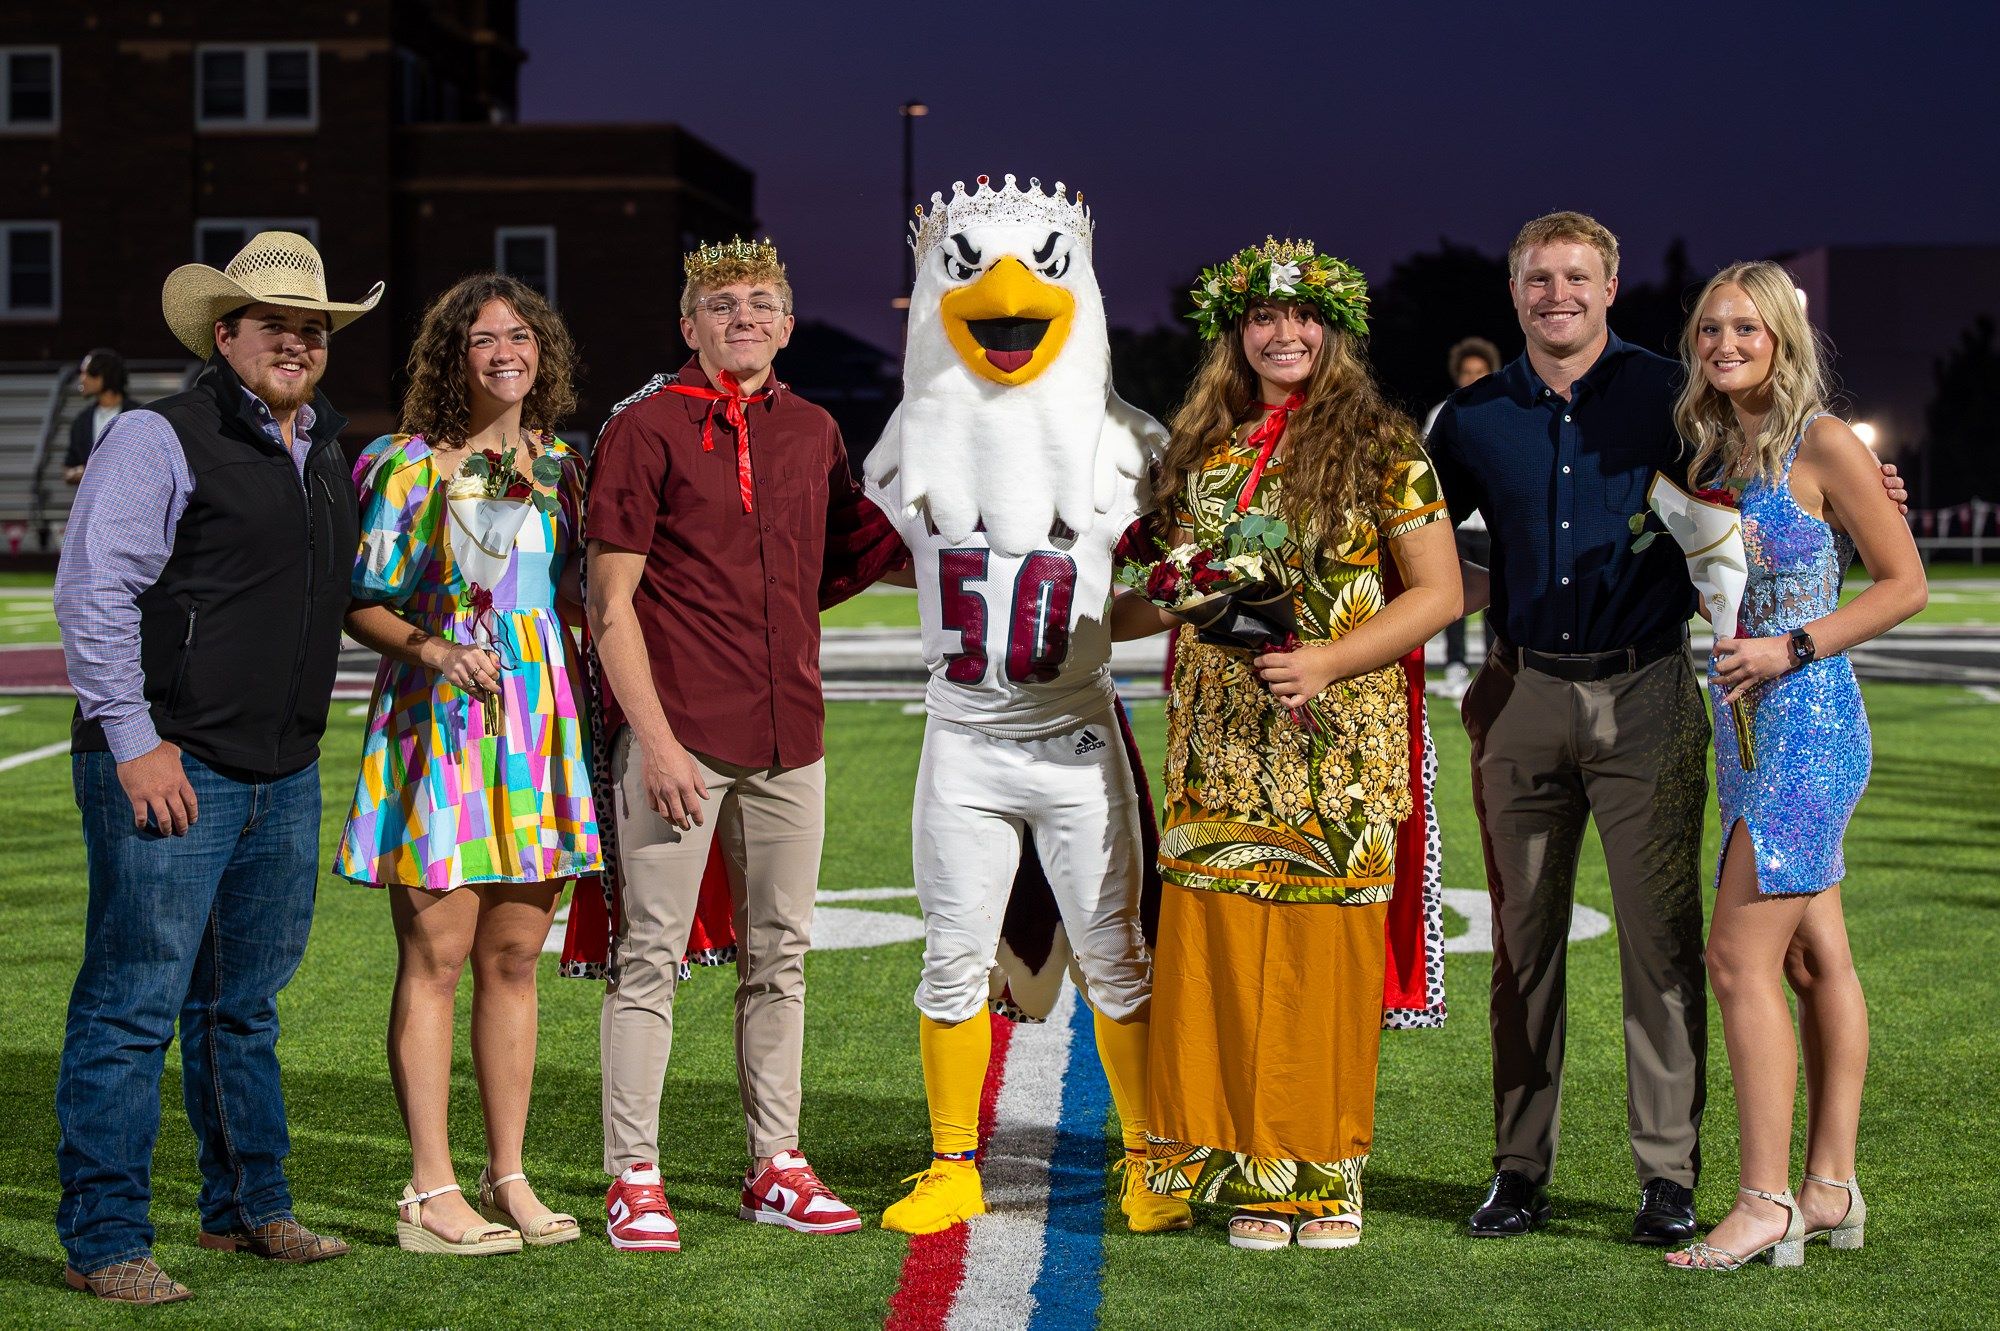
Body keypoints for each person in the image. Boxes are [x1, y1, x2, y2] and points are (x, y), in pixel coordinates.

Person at [1427, 212, 1906, 1246]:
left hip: (1650, 691)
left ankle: (1669, 1181)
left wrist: (1871, 492)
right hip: (1520, 691)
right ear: (1513, 292)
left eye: (1576, 276)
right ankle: (1518, 1169)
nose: (1556, 293)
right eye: (1536, 278)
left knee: (1666, 949)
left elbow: (1779, 480)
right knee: (1522, 948)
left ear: (1608, 287)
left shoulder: (1671, 400)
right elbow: (1424, 550)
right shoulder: (1467, 419)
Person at [861, 174, 1189, 1238]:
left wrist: (1135, 609)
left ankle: (1149, 1154)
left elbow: (1172, 573)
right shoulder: (904, 439)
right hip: (961, 742)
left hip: (1075, 735)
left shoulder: (1127, 442)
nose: (1005, 293)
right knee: (950, 955)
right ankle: (951, 1160)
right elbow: (838, 555)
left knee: (1115, 953)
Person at [52, 231, 377, 1302]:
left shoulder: (323, 445)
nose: (296, 340)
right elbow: (95, 591)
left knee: (242, 1003)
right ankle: (106, 1236)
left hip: (281, 769)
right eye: (273, 323)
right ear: (223, 333)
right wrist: (135, 740)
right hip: (169, 764)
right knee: (132, 1003)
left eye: (312, 326)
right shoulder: (160, 435)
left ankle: (248, 1206)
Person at [1129, 238, 1461, 1250]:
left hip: (1336, 744)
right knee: (1221, 957)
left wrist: (1324, 659)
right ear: (1236, 333)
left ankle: (1320, 1177)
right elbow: (1160, 590)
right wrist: (1139, 594)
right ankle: (1238, 1169)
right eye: (1262, 319)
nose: (1283, 333)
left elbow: (1438, 593)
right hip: (1218, 745)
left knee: (1321, 960)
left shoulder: (1381, 445)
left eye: (1302, 317)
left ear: (1332, 329)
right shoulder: (1201, 449)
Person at [583, 236, 899, 1251]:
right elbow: (609, 606)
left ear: (788, 322)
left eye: (762, 301)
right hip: (681, 737)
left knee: (782, 958)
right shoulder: (644, 429)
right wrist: (656, 741)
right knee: (651, 958)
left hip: (789, 734)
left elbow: (850, 554)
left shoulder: (812, 428)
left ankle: (776, 1161)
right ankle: (632, 1172)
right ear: (689, 324)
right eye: (722, 303)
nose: (744, 316)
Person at [1662, 262, 1925, 1271]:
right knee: (1813, 959)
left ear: (1780, 337)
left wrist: (1790, 646)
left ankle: (1762, 1199)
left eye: (1745, 329)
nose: (1723, 344)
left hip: (1808, 724)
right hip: (1740, 730)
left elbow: (1902, 583)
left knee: (1737, 958)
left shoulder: (1819, 441)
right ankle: (1828, 1186)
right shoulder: (1712, 449)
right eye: (1708, 329)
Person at [337, 273, 601, 1255]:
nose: (504, 350)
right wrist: (434, 648)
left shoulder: (563, 465)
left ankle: (509, 1174)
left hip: (535, 727)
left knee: (513, 958)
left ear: (544, 352)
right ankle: (428, 1188)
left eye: (521, 335)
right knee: (437, 956)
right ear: (451, 355)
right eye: (481, 337)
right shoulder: (406, 465)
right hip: (439, 719)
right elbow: (362, 598)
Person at [1423, 337, 1499, 698]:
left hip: (1489, 528)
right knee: (1452, 598)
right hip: (1454, 527)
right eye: (1467, 372)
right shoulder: (1442, 413)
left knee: (1495, 597)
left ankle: (1492, 664)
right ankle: (1455, 666)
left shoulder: (1504, 411)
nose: (1473, 378)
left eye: (1480, 372)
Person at [63, 348, 136, 484]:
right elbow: (69, 469)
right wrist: (81, 473)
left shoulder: (139, 416)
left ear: (104, 376)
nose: (82, 379)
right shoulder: (82, 420)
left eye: (88, 373)